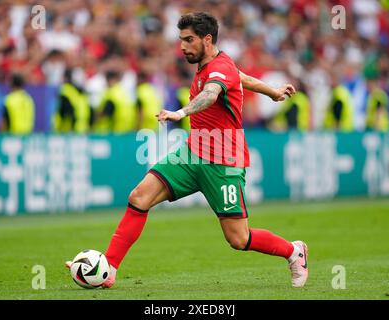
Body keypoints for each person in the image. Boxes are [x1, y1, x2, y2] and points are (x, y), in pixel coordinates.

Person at [66, 12, 308, 289]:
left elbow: (211, 94)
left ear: (207, 39)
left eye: (189, 40)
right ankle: (109, 268)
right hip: (192, 153)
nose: (183, 46)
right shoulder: (218, 66)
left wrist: (181, 112)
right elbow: (241, 78)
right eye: (181, 39)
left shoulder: (219, 70)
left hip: (223, 162)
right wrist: (273, 92)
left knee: (238, 239)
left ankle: (293, 251)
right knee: (139, 196)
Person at [53, 69, 91, 133]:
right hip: (83, 129)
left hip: (67, 130)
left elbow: (65, 111)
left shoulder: (66, 91)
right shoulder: (81, 94)